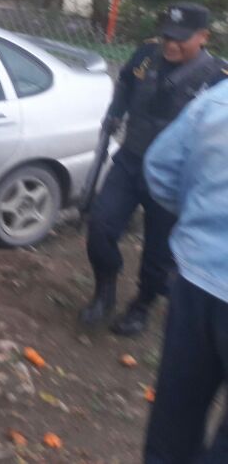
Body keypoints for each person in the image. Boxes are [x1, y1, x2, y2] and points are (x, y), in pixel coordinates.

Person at [79, 2, 226, 336]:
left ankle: (142, 305)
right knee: (100, 226)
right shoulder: (146, 53)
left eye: (181, 39)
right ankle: (104, 290)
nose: (170, 44)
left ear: (203, 37)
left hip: (175, 178)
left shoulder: (218, 78)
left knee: (159, 250)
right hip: (130, 161)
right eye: (167, 36)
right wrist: (115, 112)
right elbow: (127, 82)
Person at [142, 76, 228, 463]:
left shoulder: (216, 101)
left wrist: (201, 222)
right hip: (201, 275)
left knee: (175, 415)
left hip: (198, 282)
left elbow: (160, 169)